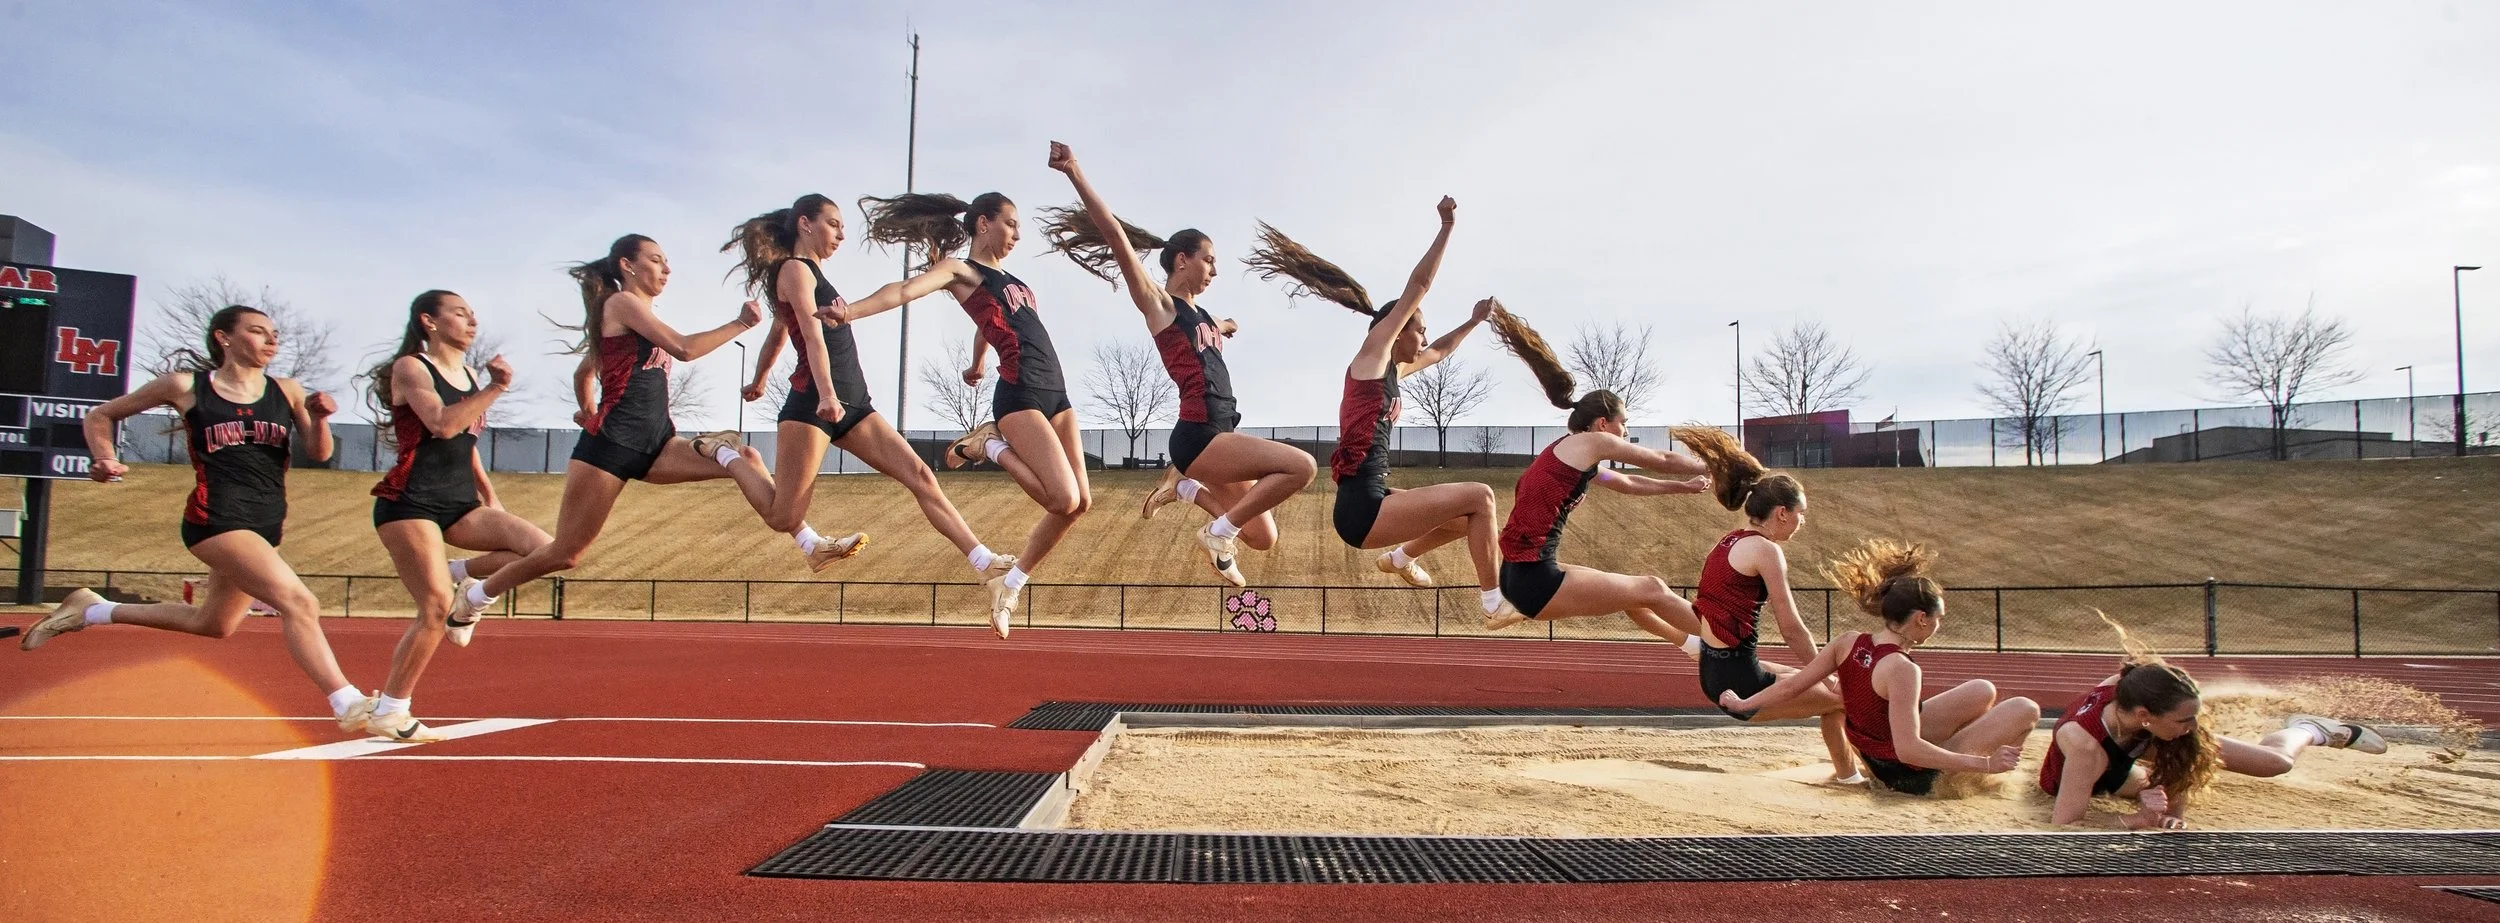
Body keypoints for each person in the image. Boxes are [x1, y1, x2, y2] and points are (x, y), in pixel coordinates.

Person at [449, 234, 857, 625]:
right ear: (627, 266)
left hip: (658, 443)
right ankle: (474, 595)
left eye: (667, 262)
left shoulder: (637, 317)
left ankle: (810, 544)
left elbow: (583, 372)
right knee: (565, 553)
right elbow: (684, 349)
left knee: (743, 456)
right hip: (609, 447)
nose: (666, 269)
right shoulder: (622, 303)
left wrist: (587, 405)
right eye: (656, 260)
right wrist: (739, 324)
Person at [28, 304, 374, 732]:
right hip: (216, 518)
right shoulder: (187, 386)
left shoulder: (287, 390)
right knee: (299, 602)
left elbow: (320, 453)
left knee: (214, 623)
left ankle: (94, 610)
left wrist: (320, 419)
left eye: (274, 334)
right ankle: (348, 702)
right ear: (223, 338)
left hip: (267, 521)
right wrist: (104, 458)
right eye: (258, 331)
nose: (271, 340)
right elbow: (101, 414)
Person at [726, 195, 1012, 623]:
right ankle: (732, 455)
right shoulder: (794, 270)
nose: (842, 234)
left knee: (919, 474)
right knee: (784, 514)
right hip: (813, 404)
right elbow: (810, 333)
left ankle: (982, 561)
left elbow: (778, 333)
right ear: (804, 224)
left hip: (854, 403)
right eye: (834, 224)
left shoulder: (814, 277)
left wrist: (761, 379)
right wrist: (824, 394)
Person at [1237, 196, 1511, 621]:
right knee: (1482, 496)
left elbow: (1439, 351)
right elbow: (1417, 287)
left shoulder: (1394, 373)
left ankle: (1400, 559)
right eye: (1417, 329)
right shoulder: (1371, 358)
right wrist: (1446, 227)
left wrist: (1474, 322)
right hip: (1361, 509)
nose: (1423, 337)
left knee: (1467, 519)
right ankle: (1496, 603)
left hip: (1377, 496)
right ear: (1397, 331)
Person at [835, 181, 1085, 635]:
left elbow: (991, 322)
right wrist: (850, 312)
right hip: (1021, 392)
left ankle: (1010, 584)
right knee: (1061, 497)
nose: (1016, 234)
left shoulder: (1016, 283)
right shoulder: (960, 269)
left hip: (1057, 393)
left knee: (1080, 503)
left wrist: (977, 361)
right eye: (1010, 224)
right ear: (983, 224)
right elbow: (904, 290)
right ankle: (990, 445)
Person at [360, 290, 552, 740]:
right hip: (409, 501)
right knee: (432, 607)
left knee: (546, 550)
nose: (472, 321)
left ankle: (470, 588)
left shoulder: (467, 373)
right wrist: (496, 387)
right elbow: (443, 424)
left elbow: (465, 446)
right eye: (460, 313)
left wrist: (490, 496)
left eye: (473, 314)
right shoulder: (411, 367)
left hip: (459, 501)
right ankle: (392, 708)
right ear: (429, 320)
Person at [1720, 539, 2039, 795]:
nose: (1938, 626)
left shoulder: (1848, 642)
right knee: (2025, 708)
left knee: (1982, 690)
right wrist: (1984, 764)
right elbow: (1909, 749)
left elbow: (1794, 685)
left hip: (1874, 755)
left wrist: (1743, 704)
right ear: (1921, 619)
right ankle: (1982, 781)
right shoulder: (1902, 669)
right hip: (1907, 777)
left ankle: (1957, 753)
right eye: (1938, 620)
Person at [1479, 305, 1715, 640]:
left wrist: (1685, 487)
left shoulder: (1575, 456)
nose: (1625, 431)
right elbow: (1660, 458)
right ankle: (1726, 647)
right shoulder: (1592, 444)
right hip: (1535, 581)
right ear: (1603, 423)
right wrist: (1715, 463)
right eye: (1624, 423)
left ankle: (1693, 647)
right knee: (1652, 587)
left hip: (1521, 576)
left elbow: (1629, 482)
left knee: (1636, 596)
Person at [2044, 615, 2389, 829]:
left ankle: (2308, 730)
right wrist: (2136, 821)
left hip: (2132, 756)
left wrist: (2174, 811)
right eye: (2184, 719)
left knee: (2275, 763)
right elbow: (2066, 823)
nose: (2194, 726)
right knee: (2142, 782)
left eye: (2194, 716)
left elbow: (2180, 758)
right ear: (2145, 716)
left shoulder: (2140, 692)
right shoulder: (2085, 746)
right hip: (2093, 773)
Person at [1671, 425, 1858, 782]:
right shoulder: (1766, 550)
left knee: (1828, 694)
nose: (1803, 522)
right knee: (1844, 696)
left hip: (1719, 670)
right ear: (1782, 513)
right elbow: (1791, 628)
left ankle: (1847, 774)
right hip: (1741, 682)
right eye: (1801, 513)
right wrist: (1828, 673)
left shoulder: (1729, 541)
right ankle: (1865, 774)